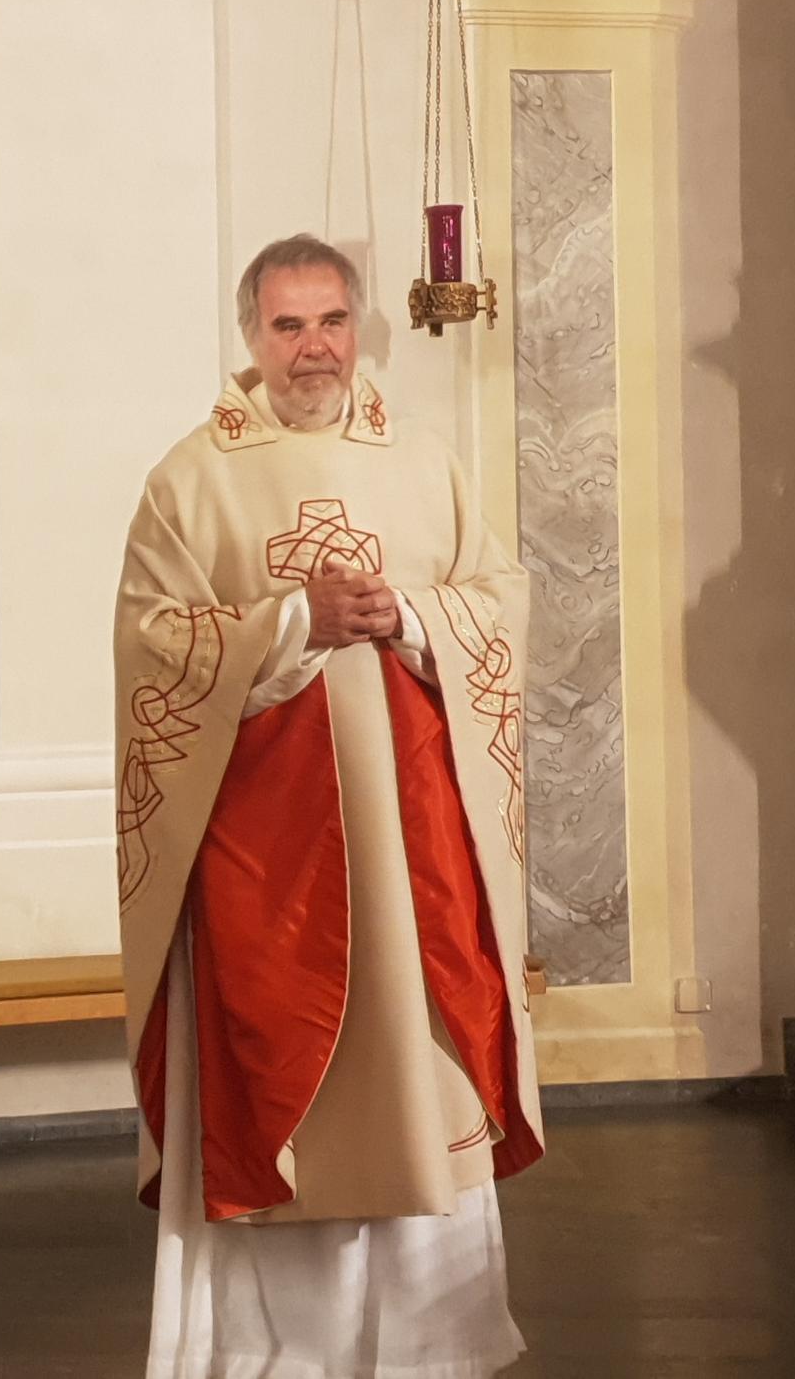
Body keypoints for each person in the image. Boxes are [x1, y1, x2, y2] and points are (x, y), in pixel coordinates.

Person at [114, 234, 543, 1377]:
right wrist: (294, 620)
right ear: (249, 336)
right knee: (278, 1081)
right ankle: (276, 1356)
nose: (313, 349)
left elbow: (497, 599)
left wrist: (406, 615)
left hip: (409, 853)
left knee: (417, 1074)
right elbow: (153, 647)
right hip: (266, 856)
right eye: (288, 326)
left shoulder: (425, 460)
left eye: (332, 322)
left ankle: (427, 1348)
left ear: (360, 328)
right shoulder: (191, 476)